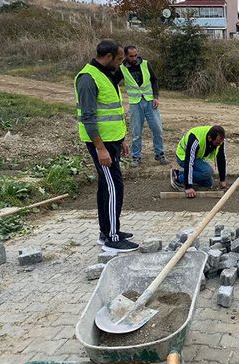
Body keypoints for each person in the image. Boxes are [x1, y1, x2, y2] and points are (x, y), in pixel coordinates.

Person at [75, 39, 138, 252]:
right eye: (119, 59)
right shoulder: (88, 78)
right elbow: (89, 117)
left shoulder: (104, 75)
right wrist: (101, 148)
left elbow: (110, 113)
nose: (121, 63)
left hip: (111, 141)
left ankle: (107, 231)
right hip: (100, 144)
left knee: (106, 186)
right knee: (114, 187)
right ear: (108, 57)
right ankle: (112, 238)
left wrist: (120, 141)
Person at [117, 45, 166, 167]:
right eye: (131, 56)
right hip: (135, 103)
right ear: (126, 56)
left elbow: (154, 80)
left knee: (157, 129)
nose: (134, 58)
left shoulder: (145, 64)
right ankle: (136, 157)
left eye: (135, 55)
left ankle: (160, 154)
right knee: (136, 132)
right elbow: (114, 82)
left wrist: (155, 96)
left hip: (150, 101)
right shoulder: (121, 68)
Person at [171, 125, 227, 198]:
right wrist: (188, 187)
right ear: (209, 138)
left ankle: (182, 174)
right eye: (217, 143)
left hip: (196, 157)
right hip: (183, 156)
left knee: (208, 183)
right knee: (207, 172)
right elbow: (189, 162)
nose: (219, 145)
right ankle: (178, 177)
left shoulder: (219, 140)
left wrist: (222, 179)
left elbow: (221, 158)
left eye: (220, 143)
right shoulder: (195, 139)